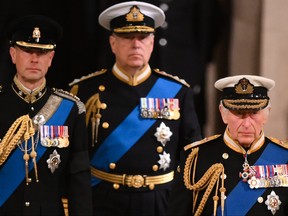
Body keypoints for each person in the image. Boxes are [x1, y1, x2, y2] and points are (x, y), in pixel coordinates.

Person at [68, 1, 202, 215]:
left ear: (152, 42)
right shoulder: (84, 91)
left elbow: (192, 159)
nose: (136, 45)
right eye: (127, 37)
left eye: (143, 38)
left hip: (160, 202)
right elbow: (74, 159)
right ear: (113, 43)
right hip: (103, 200)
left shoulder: (177, 92)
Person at [0, 14, 92, 215]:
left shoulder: (70, 109)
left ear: (51, 59)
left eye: (42, 53)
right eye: (27, 50)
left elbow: (79, 178)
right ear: (13, 54)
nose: (34, 59)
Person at [183, 75, 288, 215]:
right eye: (239, 113)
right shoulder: (196, 158)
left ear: (266, 114)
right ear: (223, 113)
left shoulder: (283, 157)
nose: (246, 124)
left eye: (254, 113)